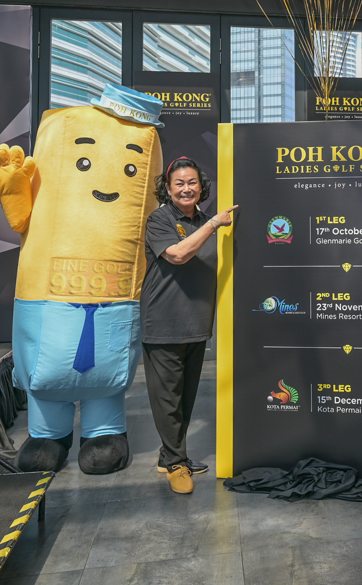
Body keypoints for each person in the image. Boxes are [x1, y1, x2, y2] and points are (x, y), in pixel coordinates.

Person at [142, 157, 237, 494]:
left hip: (196, 323)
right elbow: (178, 255)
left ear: (202, 186)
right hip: (163, 322)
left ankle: (170, 454)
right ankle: (175, 464)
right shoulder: (160, 219)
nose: (186, 188)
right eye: (179, 183)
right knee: (168, 399)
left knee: (184, 398)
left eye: (192, 182)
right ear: (167, 189)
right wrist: (213, 224)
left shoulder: (201, 219)